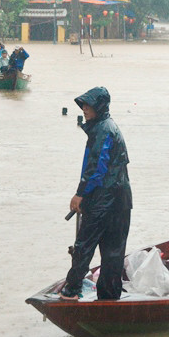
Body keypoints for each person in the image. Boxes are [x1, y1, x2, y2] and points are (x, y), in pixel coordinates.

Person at [60, 86, 132, 301]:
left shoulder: (103, 130)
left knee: (84, 245)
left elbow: (96, 168)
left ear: (99, 107)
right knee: (113, 252)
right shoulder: (108, 127)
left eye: (88, 105)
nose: (84, 108)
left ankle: (71, 290)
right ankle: (109, 298)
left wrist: (80, 194)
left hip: (105, 199)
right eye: (83, 105)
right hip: (120, 200)